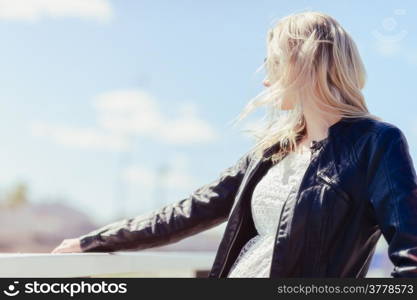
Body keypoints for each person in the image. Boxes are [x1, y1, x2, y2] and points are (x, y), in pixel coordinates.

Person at [52, 11, 417, 278]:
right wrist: (95, 241)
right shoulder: (271, 153)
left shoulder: (376, 143)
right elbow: (186, 212)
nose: (265, 81)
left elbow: (410, 257)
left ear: (302, 63)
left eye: (272, 64)